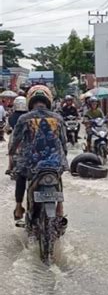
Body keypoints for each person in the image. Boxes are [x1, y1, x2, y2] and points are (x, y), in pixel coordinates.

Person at [9, 85, 68, 221]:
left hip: (31, 164)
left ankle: (18, 207)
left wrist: (12, 155)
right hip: (54, 163)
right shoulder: (58, 118)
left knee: (20, 175)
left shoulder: (24, 118)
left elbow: (15, 141)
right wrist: (62, 158)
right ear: (48, 100)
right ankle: (60, 206)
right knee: (57, 174)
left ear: (30, 101)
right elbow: (64, 144)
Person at [5, 96, 29, 176]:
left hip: (15, 136)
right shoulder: (29, 116)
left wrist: (8, 131)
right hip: (27, 136)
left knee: (11, 150)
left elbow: (7, 128)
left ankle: (10, 167)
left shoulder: (11, 117)